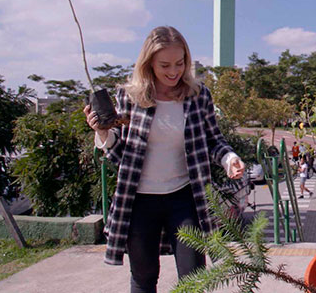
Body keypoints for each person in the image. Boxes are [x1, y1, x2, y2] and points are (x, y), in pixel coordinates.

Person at [84, 26, 245, 293]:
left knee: (194, 278)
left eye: (180, 63)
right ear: (148, 64)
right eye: (165, 65)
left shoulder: (198, 96)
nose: (174, 72)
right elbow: (118, 155)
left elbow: (213, 140)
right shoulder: (130, 97)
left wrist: (229, 159)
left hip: (184, 199)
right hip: (138, 202)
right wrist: (102, 132)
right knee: (144, 278)